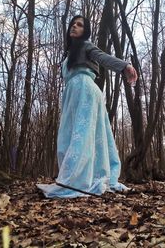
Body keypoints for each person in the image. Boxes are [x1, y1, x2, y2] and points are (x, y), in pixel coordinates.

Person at [37, 15, 137, 198]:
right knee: (69, 135)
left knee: (80, 136)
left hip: (85, 89)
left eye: (80, 25)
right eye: (73, 24)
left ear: (86, 31)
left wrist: (124, 66)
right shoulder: (69, 53)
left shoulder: (86, 45)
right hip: (73, 92)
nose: (74, 26)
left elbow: (102, 57)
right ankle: (80, 177)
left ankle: (75, 181)